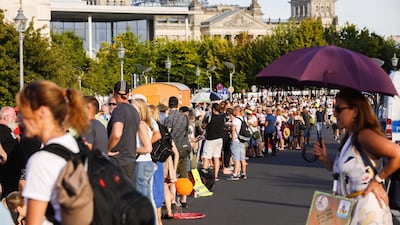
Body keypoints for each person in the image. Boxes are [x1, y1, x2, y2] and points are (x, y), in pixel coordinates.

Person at [313, 88, 400, 225]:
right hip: (350, 207)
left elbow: (397, 154)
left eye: (339, 109)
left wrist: (377, 180)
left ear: (354, 111)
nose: (335, 113)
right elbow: (348, 173)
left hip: (367, 209)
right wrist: (326, 159)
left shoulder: (364, 135)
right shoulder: (350, 136)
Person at [17, 80, 89, 225]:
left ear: (42, 112)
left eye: (23, 112)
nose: (20, 119)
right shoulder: (77, 146)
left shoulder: (41, 161)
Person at [107, 80, 140, 180]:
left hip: (118, 160)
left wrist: (107, 149)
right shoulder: (134, 111)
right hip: (130, 159)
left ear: (113, 93)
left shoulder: (119, 110)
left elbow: (117, 133)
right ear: (128, 94)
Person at [164, 96, 190, 207]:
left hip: (173, 148)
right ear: (178, 104)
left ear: (169, 105)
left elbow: (167, 133)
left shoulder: (169, 118)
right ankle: (184, 198)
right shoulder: (184, 117)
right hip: (184, 146)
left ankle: (173, 198)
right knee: (183, 172)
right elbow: (186, 131)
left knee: (172, 173)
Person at [0, 107, 23, 197]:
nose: (15, 118)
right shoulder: (1, 128)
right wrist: (2, 154)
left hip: (12, 175)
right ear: (5, 118)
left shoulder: (7, 130)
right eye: (13, 116)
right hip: (6, 175)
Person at [201, 103, 225, 181]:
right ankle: (216, 175)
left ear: (213, 109)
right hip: (219, 138)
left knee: (206, 157)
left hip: (210, 139)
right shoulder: (222, 118)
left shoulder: (210, 117)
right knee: (216, 157)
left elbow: (203, 126)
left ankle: (204, 174)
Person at [227, 106, 247, 180]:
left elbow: (233, 129)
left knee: (236, 158)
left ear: (236, 111)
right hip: (242, 140)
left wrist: (232, 139)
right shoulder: (243, 118)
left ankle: (235, 174)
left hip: (236, 140)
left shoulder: (235, 120)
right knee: (242, 158)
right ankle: (244, 173)